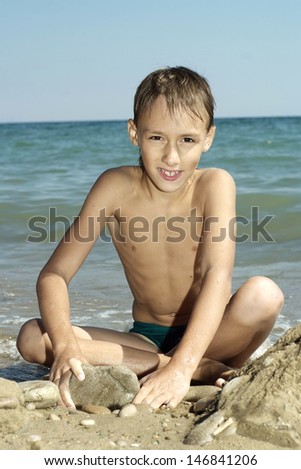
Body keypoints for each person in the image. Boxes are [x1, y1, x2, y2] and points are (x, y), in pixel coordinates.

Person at [17, 66, 284, 410]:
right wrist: (67, 345)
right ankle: (180, 367)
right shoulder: (114, 186)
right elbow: (54, 275)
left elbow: (215, 274)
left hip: (215, 333)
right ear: (134, 133)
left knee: (264, 294)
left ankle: (188, 363)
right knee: (32, 336)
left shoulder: (214, 183)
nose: (171, 157)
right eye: (156, 137)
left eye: (187, 140)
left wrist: (183, 363)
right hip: (142, 340)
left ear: (208, 137)